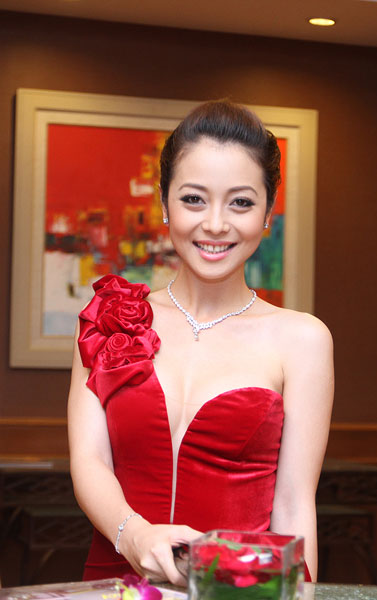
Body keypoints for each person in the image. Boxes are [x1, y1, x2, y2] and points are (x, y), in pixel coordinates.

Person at [68, 100, 334, 586]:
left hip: (239, 592)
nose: (215, 223)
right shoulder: (110, 319)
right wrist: (136, 537)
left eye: (240, 202)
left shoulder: (303, 339)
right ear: (164, 204)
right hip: (114, 584)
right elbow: (89, 460)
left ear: (268, 211)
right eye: (193, 199)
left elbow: (295, 504)